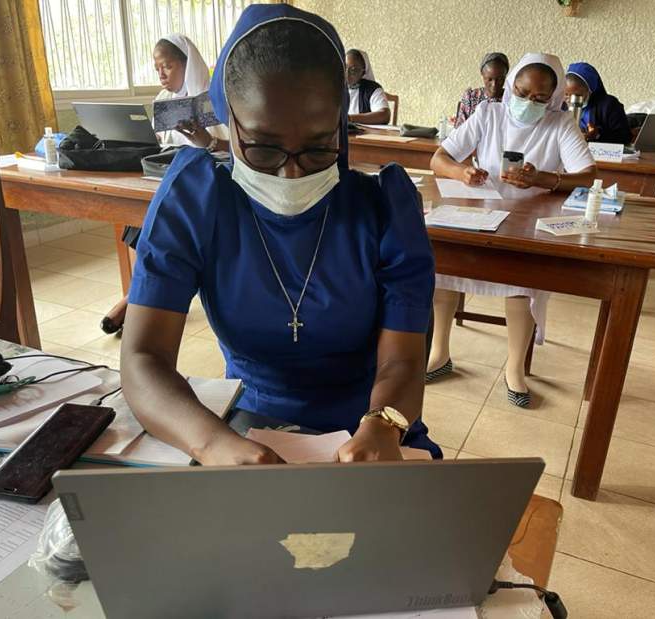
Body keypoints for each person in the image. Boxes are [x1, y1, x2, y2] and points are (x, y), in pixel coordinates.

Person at [120, 4, 440, 465]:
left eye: (317, 148)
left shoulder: (385, 208)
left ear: (339, 128)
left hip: (373, 422)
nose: (290, 173)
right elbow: (143, 357)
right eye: (263, 148)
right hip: (244, 427)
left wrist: (383, 425)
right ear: (229, 122)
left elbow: (403, 362)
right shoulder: (196, 200)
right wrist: (213, 444)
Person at [427, 53, 596, 407]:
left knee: (521, 284)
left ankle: (514, 369)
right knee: (442, 273)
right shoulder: (489, 113)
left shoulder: (561, 124)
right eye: (521, 93)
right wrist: (463, 173)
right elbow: (439, 159)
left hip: (526, 221)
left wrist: (542, 179)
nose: (527, 103)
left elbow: (587, 175)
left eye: (539, 98)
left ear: (552, 97)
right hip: (478, 214)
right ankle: (439, 354)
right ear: (511, 86)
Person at [100, 33, 227, 335]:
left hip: (208, 181)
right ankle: (139, 294)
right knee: (140, 221)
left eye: (167, 67)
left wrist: (206, 141)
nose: (161, 74)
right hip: (166, 176)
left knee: (163, 218)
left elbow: (237, 149)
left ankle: (138, 299)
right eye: (157, 68)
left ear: (188, 64)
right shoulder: (162, 102)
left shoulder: (215, 100)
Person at [564, 62, 631, 144]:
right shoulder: (560, 106)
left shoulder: (609, 105)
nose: (570, 100)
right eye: (566, 94)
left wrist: (597, 135)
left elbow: (625, 137)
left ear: (590, 90)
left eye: (577, 95)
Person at [454, 52, 509, 128]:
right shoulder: (471, 97)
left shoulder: (510, 99)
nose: (494, 84)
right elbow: (459, 130)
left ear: (505, 76)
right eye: (489, 79)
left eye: (500, 79)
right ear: (482, 74)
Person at [345, 48, 391, 124]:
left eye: (353, 70)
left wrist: (349, 118)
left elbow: (384, 115)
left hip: (363, 135)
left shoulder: (372, 89)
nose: (347, 74)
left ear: (363, 72)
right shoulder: (335, 88)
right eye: (344, 67)